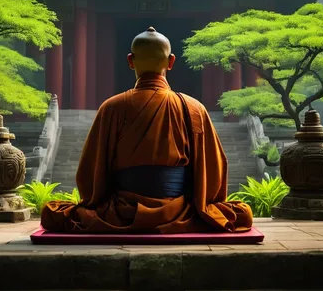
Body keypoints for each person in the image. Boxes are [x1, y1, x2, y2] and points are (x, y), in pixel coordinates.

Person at [41, 26, 252, 234]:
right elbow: (213, 170)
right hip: (179, 213)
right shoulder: (194, 108)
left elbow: (91, 171)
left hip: (122, 213)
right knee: (241, 214)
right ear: (171, 62)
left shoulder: (112, 107)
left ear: (130, 61)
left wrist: (97, 203)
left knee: (53, 213)